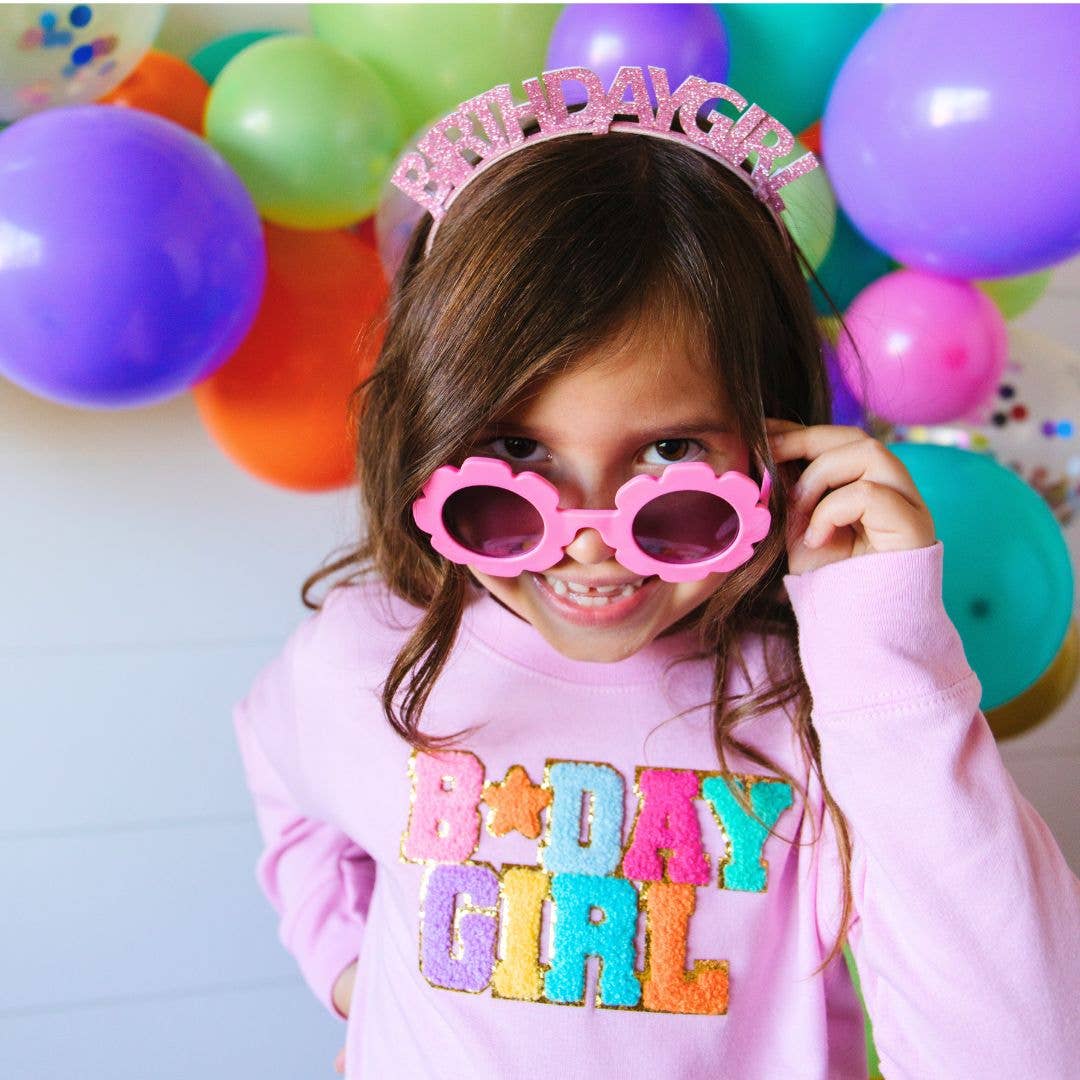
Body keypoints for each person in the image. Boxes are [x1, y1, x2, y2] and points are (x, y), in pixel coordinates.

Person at [231, 65, 1080, 1079]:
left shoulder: (822, 701)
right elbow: (288, 786)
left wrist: (882, 654)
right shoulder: (362, 654)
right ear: (430, 440)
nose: (587, 539)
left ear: (776, 442)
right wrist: (349, 969)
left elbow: (1019, 1049)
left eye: (670, 457)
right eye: (516, 459)